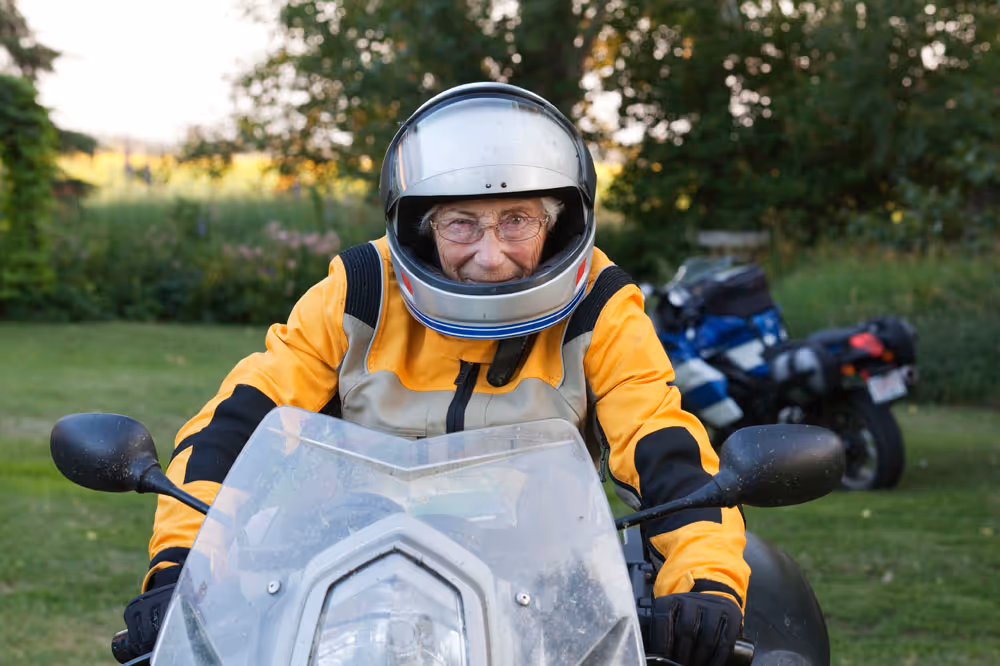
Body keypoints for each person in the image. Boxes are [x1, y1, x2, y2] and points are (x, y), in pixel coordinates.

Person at [120, 83, 749, 666]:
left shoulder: (600, 305)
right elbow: (236, 424)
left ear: (556, 221)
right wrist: (180, 567)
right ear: (422, 227)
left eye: (517, 221)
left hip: (540, 593)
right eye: (461, 223)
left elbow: (665, 447)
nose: (490, 253)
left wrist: (707, 584)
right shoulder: (361, 290)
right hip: (346, 585)